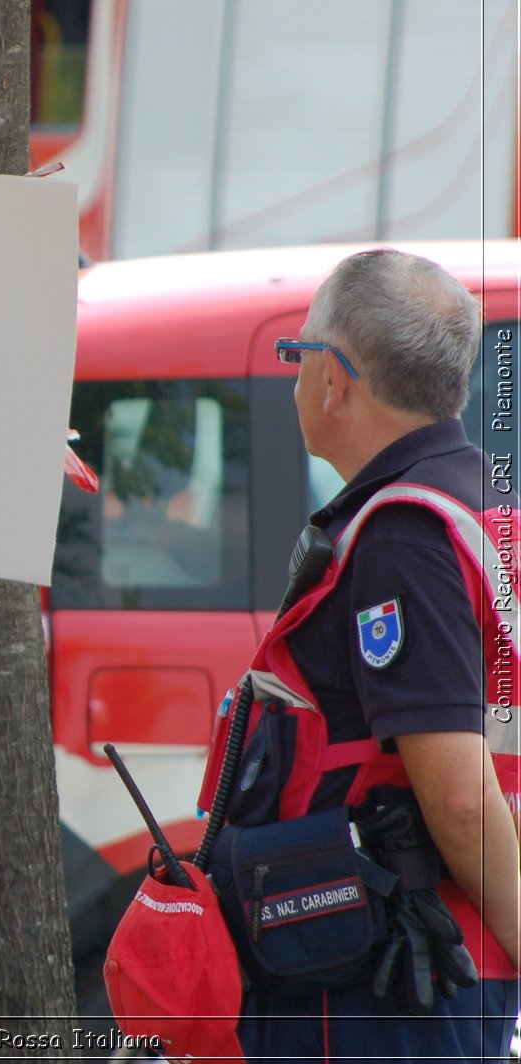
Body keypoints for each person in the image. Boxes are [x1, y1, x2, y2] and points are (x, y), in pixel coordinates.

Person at [201, 249, 520, 1059]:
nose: (295, 378)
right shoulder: (482, 507)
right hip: (443, 952)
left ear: (336, 379)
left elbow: (459, 798)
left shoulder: (402, 537)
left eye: (296, 354)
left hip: (394, 974)